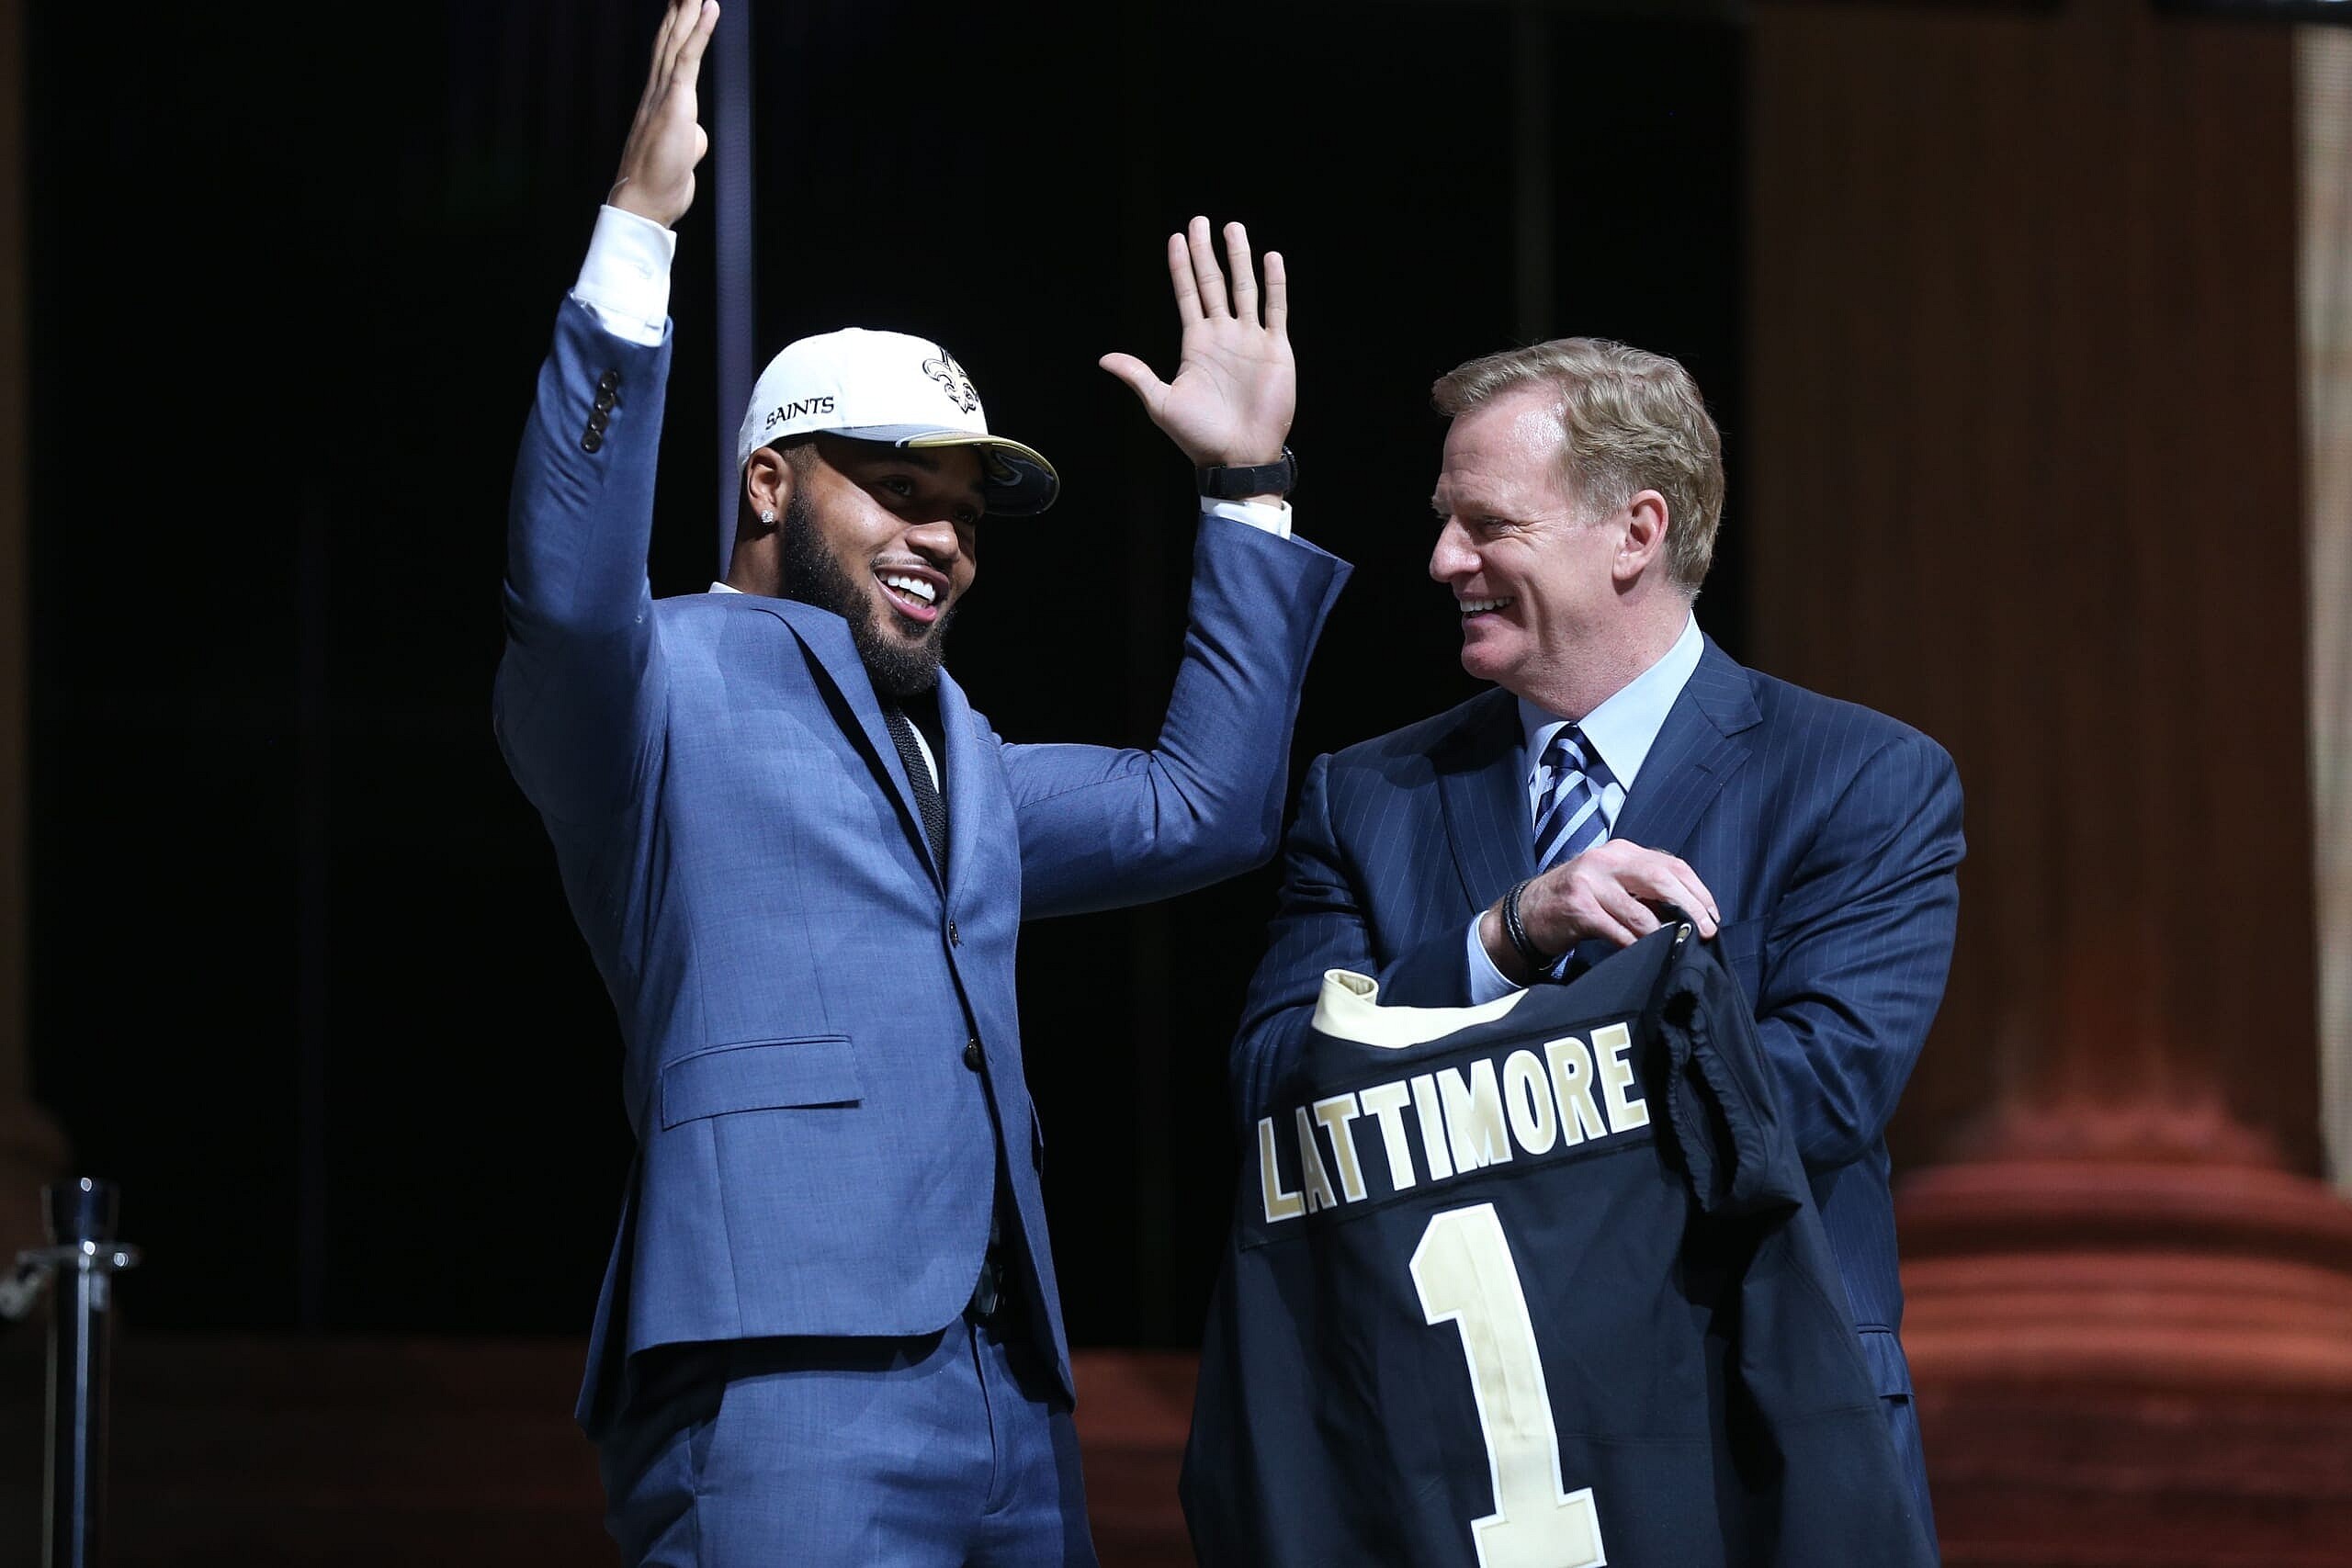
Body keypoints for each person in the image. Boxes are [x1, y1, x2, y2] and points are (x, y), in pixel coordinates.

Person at [493, 4, 1347, 1562]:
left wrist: (1248, 488)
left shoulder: (967, 757)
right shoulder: (652, 686)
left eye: (964, 511)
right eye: (896, 489)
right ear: (769, 485)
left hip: (1011, 1392)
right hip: (780, 1380)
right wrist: (633, 241)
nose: (945, 537)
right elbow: (561, 592)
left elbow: (1202, 808)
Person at [1227, 336, 1962, 1541]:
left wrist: (1477, 1086)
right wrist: (1504, 939)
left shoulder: (1860, 782)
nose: (1443, 559)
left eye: (1487, 523)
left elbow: (1814, 1098)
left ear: (1635, 533)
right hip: (1455, 1471)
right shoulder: (1367, 798)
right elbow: (1270, 1087)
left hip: (1753, 1451)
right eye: (1444, 520)